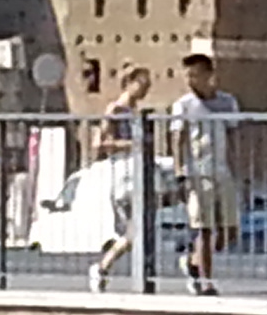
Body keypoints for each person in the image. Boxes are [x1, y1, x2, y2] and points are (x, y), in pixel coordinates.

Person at [170, 53, 240, 296]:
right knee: (204, 229)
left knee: (229, 230)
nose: (190, 80)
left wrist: (237, 168)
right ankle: (206, 281)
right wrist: (180, 172)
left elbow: (234, 137)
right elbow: (177, 139)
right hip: (197, 174)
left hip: (222, 171)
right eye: (187, 75)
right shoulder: (183, 105)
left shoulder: (227, 102)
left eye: (195, 75)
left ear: (209, 75)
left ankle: (192, 262)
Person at [88, 66, 153, 294]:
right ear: (130, 83)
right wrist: (133, 144)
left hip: (137, 171)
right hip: (122, 173)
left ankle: (106, 268)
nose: (146, 91)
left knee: (139, 229)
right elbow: (99, 144)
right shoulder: (115, 110)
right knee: (135, 231)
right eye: (143, 86)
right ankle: (103, 268)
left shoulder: (137, 112)